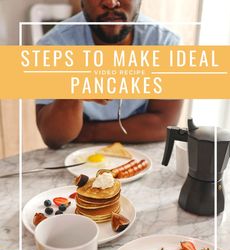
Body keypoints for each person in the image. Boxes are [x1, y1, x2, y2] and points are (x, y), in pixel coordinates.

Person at [36, 0, 183, 149]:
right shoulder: (53, 46)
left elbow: (163, 125)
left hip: (143, 155)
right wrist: (71, 95)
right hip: (76, 159)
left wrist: (87, 132)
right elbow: (52, 136)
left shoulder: (165, 42)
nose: (111, 3)